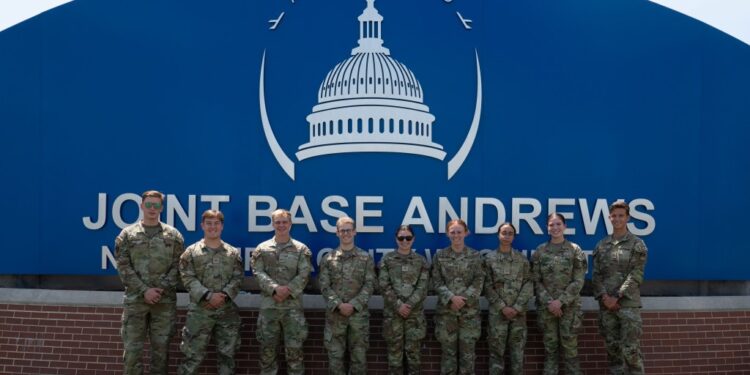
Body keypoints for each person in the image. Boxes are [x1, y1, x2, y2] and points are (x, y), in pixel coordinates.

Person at [115, 190, 184, 375]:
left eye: (156, 205)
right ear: (141, 206)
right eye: (148, 205)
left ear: (161, 207)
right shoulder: (127, 235)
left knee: (161, 353)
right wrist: (144, 290)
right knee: (132, 352)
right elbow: (123, 267)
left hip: (164, 303)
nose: (152, 209)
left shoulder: (174, 235)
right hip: (135, 302)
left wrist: (159, 289)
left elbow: (178, 267)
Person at [177, 209, 244, 375]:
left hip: (227, 312)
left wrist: (224, 295)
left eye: (216, 223)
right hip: (200, 311)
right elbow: (187, 277)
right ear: (202, 225)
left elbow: (238, 278)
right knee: (192, 356)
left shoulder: (232, 253)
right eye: (209, 223)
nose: (212, 227)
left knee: (227, 356)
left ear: (222, 226)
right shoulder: (191, 252)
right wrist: (208, 295)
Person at [251, 209, 312, 375]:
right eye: (278, 222)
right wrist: (274, 289)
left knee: (295, 355)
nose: (281, 225)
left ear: (290, 224)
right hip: (269, 308)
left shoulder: (301, 249)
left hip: (293, 310)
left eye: (284, 222)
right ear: (273, 224)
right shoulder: (262, 249)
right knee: (267, 354)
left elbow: (304, 273)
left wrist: (288, 289)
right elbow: (257, 271)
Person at [592, 201, 648, 375]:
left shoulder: (637, 244)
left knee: (631, 352)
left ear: (628, 217)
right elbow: (596, 275)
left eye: (621, 215)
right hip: (606, 307)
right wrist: (604, 297)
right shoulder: (602, 245)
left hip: (628, 306)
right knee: (614, 351)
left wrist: (617, 296)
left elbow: (635, 274)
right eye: (614, 216)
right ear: (609, 218)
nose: (617, 219)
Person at [318, 216, 377, 375]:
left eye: (348, 230)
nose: (346, 233)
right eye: (342, 230)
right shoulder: (328, 259)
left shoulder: (365, 258)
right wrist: (339, 304)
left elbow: (370, 284)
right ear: (337, 233)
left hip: (358, 317)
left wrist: (354, 305)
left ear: (355, 232)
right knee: (335, 360)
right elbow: (324, 285)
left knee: (359, 360)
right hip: (335, 317)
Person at [532, 213, 587, 375]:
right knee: (550, 351)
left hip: (569, 309)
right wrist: (550, 302)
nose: (555, 228)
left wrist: (560, 301)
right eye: (551, 225)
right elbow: (535, 280)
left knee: (571, 351)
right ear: (547, 228)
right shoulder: (540, 251)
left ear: (565, 226)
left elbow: (578, 280)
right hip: (546, 309)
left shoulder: (575, 250)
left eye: (558, 224)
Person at [431, 219, 484, 375]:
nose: (456, 235)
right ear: (448, 234)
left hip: (469, 315)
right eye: (452, 232)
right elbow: (436, 280)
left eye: (459, 232)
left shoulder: (475, 256)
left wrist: (463, 300)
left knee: (468, 358)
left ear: (466, 233)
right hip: (447, 314)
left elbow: (479, 281)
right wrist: (451, 298)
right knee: (448, 357)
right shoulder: (440, 256)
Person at [378, 225, 430, 374]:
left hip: (414, 317)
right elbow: (384, 285)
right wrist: (398, 305)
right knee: (394, 359)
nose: (404, 241)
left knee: (414, 359)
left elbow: (423, 287)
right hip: (393, 317)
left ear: (413, 239)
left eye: (408, 237)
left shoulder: (421, 261)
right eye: (401, 238)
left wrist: (409, 305)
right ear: (396, 239)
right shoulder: (387, 260)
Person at [483, 223, 533, 375]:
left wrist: (517, 306)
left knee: (517, 354)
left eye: (510, 233)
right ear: (498, 235)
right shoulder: (489, 259)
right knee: (496, 353)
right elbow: (486, 285)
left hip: (518, 314)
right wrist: (502, 306)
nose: (506, 236)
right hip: (497, 314)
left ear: (514, 236)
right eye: (504, 233)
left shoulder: (522, 260)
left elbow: (528, 283)